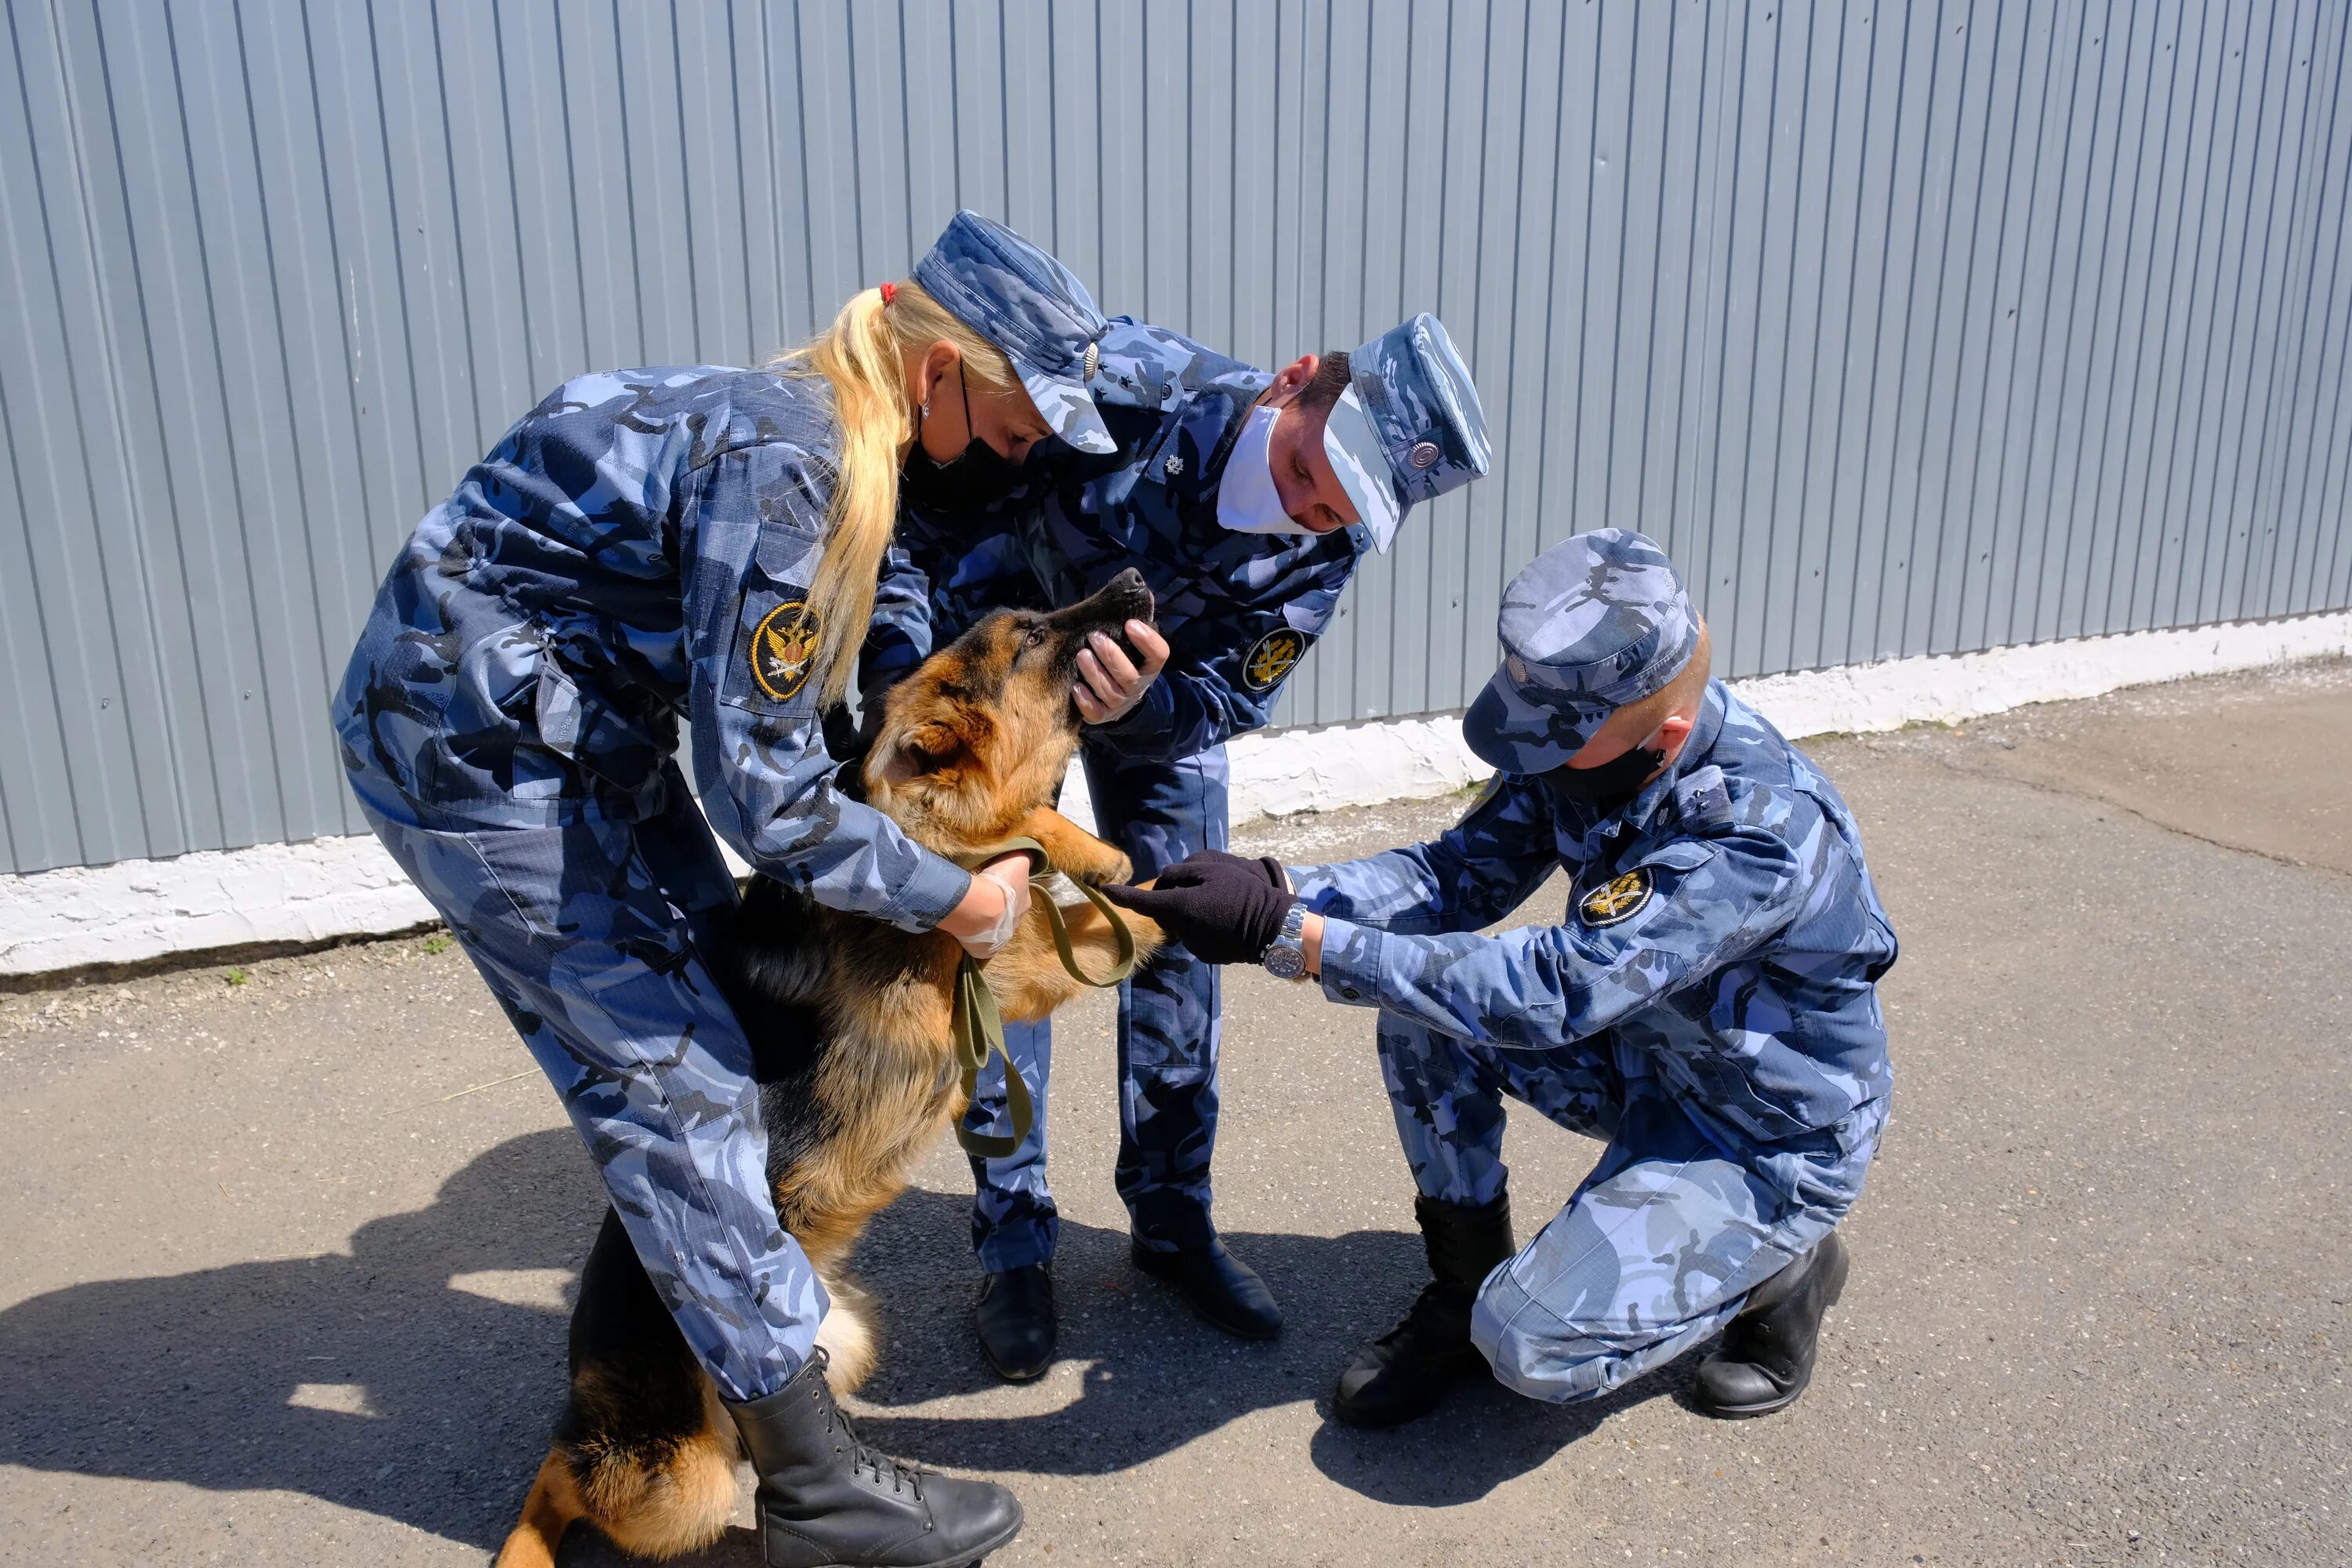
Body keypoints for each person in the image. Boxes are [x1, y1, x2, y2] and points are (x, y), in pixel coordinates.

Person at [328, 220, 1150, 1566]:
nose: (1025, 451)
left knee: (705, 1007)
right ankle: (816, 1489)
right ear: (941, 373)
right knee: (681, 1082)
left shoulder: (802, 425)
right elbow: (767, 803)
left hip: (565, 731)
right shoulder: (797, 467)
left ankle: (698, 1355)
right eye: (1016, 420)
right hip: (480, 761)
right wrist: (952, 902)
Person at [861, 216, 1492, 1380]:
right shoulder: (1129, 385)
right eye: (1308, 470)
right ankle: (1012, 1240)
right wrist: (915, 675)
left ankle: (1171, 1221)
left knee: (1184, 935)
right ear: (1292, 384)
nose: (1314, 510)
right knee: (1002, 944)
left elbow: (1224, 699)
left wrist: (1144, 710)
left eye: (1342, 511)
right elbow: (936, 491)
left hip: (1146, 713)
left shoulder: (1330, 537)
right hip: (1003, 676)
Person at [1105, 529, 1898, 1425]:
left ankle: (1784, 1269)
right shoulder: (1592, 739)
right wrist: (1280, 888)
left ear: (1664, 733)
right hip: (1644, 1056)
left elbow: (1556, 988)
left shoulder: (1758, 830)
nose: (1535, 759)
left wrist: (1293, 937)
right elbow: (1454, 876)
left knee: (1528, 1340)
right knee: (1423, 1012)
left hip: (1760, 1131)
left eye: (1558, 742)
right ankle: (1462, 1287)